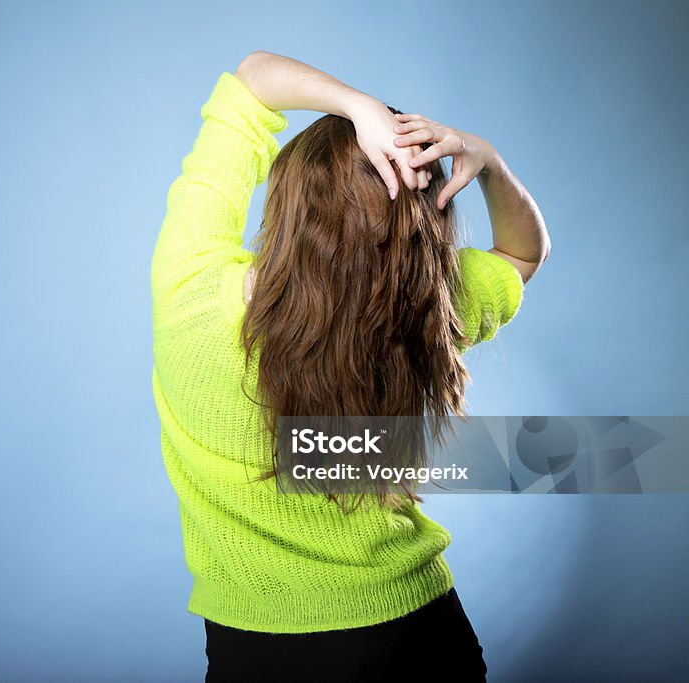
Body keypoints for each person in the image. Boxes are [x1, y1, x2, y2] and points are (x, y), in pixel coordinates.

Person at [150, 50, 550, 682]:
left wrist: (353, 107)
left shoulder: (188, 293)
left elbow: (252, 79)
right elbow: (524, 254)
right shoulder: (429, 308)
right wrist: (490, 161)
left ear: (287, 202)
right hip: (418, 634)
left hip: (258, 650)